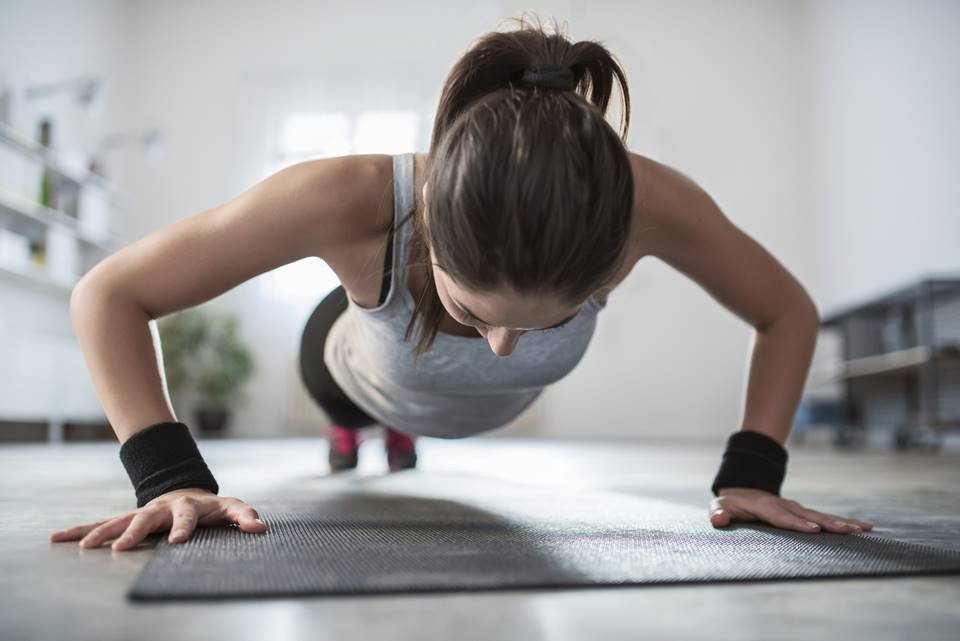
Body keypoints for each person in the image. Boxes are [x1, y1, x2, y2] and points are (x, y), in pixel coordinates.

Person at [49, 18, 873, 552]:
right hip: (351, 360)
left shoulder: (643, 204)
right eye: (473, 312)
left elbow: (785, 311)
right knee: (349, 393)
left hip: (454, 402)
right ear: (434, 221)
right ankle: (359, 432)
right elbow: (109, 293)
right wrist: (167, 475)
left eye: (545, 323)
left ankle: (399, 432)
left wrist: (753, 471)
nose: (507, 346)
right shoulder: (350, 196)